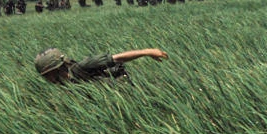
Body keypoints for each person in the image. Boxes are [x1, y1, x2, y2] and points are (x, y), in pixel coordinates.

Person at [35, 47, 169, 84]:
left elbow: (117, 58)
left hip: (122, 89)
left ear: (57, 69)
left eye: (48, 75)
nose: (47, 79)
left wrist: (147, 52)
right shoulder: (64, 82)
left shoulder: (83, 66)